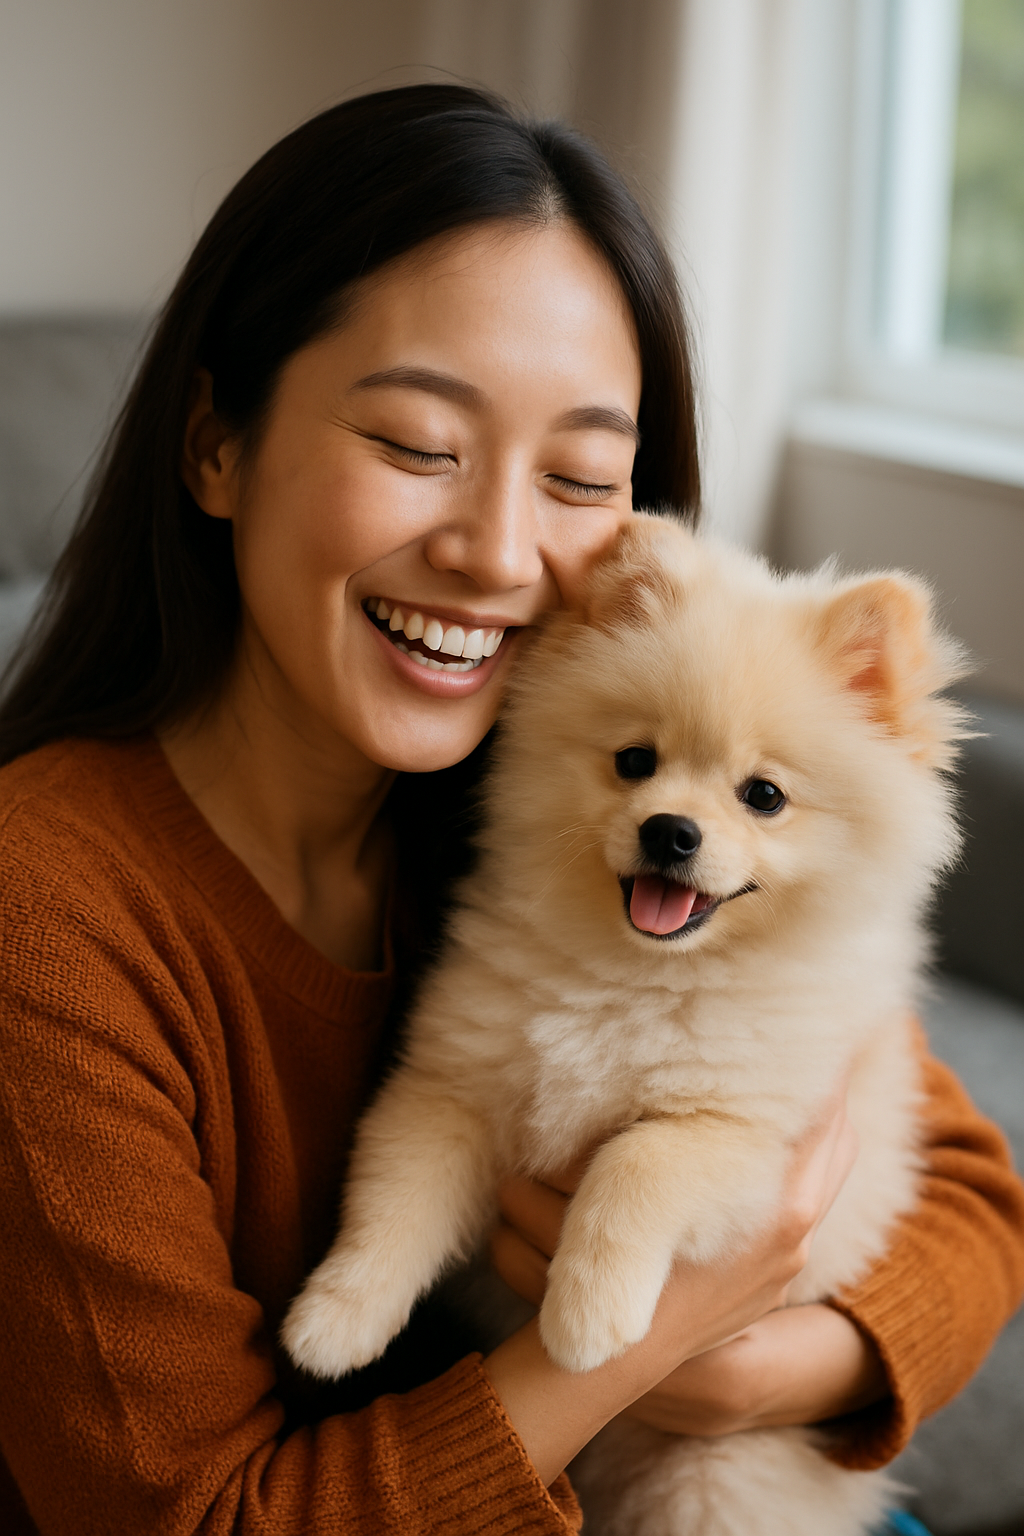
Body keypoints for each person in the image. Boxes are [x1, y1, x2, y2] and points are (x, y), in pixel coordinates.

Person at [0, 84, 1020, 1536]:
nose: (496, 553)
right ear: (214, 443)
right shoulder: (43, 922)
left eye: (580, 477)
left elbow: (972, 1197)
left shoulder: (559, 779)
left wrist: (756, 1374)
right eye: (420, 445)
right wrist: (621, 1360)